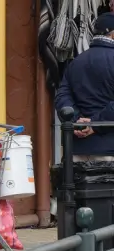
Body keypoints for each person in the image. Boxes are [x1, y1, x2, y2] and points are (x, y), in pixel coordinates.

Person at [55, 12, 114, 162]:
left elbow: (62, 98)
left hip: (75, 151)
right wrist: (95, 124)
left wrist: (77, 122)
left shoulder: (75, 62)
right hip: (109, 150)